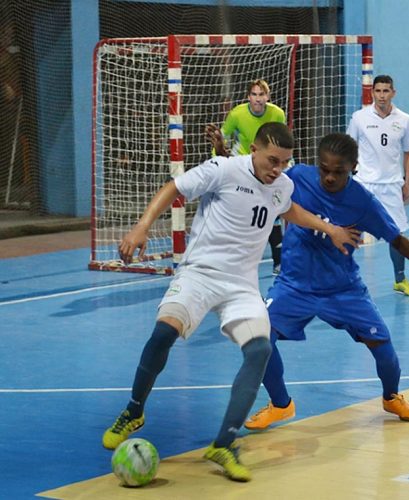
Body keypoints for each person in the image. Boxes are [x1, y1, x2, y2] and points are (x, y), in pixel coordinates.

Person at [101, 123, 360, 482]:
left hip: (242, 285)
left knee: (259, 351)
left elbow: (289, 210)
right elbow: (174, 187)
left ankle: (224, 442)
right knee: (163, 334)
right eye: (272, 160)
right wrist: (141, 227)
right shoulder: (223, 170)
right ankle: (134, 410)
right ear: (254, 149)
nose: (277, 169)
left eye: (284, 163)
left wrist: (329, 229)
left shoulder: (281, 185)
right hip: (200, 273)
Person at [244, 133, 409, 430]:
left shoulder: (362, 202)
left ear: (354, 167)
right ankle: (281, 404)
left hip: (343, 288)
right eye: (325, 169)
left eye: (339, 171)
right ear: (316, 163)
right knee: (259, 339)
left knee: (383, 346)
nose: (330, 177)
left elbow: (395, 238)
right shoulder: (297, 177)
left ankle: (391, 397)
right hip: (294, 285)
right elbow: (258, 181)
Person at [346, 74, 409, 296]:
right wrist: (352, 176)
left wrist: (407, 183)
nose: (381, 95)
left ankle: (399, 280)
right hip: (364, 184)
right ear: (372, 93)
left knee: (396, 234)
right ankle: (343, 280)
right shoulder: (359, 117)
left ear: (393, 93)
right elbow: (350, 147)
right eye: (377, 91)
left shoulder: (404, 119)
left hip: (391, 186)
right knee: (350, 232)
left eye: (386, 91)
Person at [217, 79, 287, 274]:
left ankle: (279, 262)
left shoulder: (277, 114)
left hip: (266, 169)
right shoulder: (237, 114)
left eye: (261, 95)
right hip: (243, 168)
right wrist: (220, 164)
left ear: (268, 97)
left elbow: (281, 142)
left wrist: (283, 165)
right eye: (254, 95)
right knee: (239, 214)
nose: (258, 99)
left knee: (272, 211)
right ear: (249, 97)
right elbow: (221, 138)